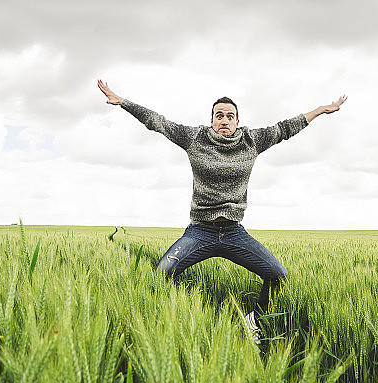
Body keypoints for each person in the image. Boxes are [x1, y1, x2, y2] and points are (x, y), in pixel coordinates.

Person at [98, 79, 346, 343]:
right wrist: (122, 101)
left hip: (234, 233)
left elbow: (285, 128)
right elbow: (157, 122)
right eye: (219, 116)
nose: (224, 120)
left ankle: (255, 321)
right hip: (200, 232)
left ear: (237, 121)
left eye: (230, 116)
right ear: (212, 120)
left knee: (278, 276)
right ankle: (176, 325)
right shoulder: (195, 137)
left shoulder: (252, 140)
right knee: (162, 274)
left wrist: (319, 110)